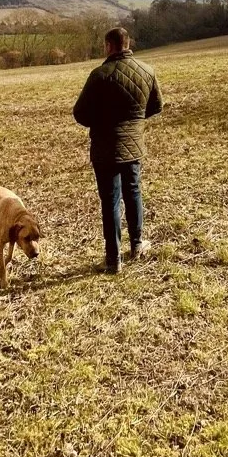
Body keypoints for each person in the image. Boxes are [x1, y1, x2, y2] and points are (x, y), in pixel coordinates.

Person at [73, 26, 163, 274]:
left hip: (105, 148)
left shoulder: (100, 75)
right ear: (128, 43)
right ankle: (137, 244)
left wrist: (102, 122)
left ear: (109, 46)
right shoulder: (147, 71)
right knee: (133, 192)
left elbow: (79, 113)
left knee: (110, 201)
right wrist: (134, 122)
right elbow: (156, 106)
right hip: (133, 146)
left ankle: (113, 259)